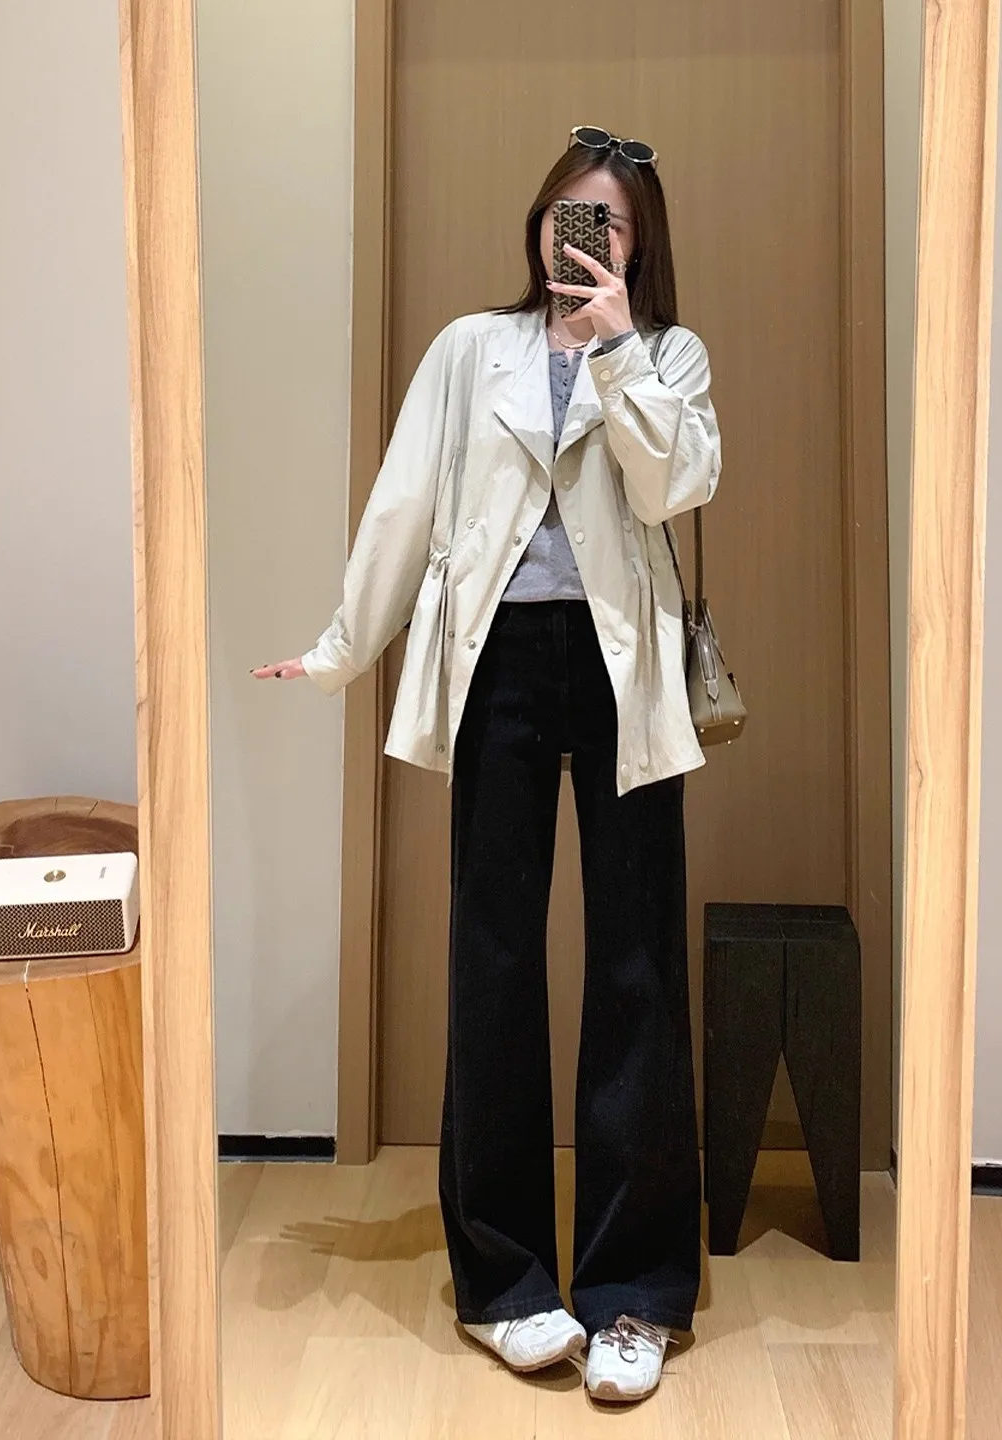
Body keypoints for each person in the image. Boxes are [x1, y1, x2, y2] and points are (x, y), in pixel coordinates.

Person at [251, 125, 722, 1405]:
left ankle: (636, 1294)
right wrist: (342, 647)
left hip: (623, 672)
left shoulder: (669, 355)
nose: (584, 239)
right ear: (538, 222)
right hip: (501, 664)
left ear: (639, 244)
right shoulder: (472, 349)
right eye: (570, 215)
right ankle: (507, 1284)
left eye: (609, 223)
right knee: (495, 960)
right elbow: (407, 499)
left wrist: (616, 350)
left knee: (637, 965)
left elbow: (675, 490)